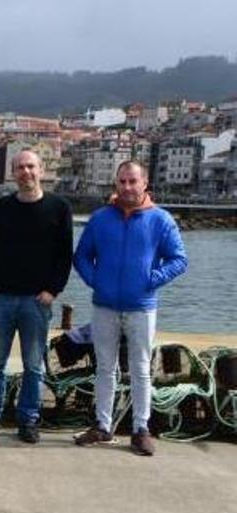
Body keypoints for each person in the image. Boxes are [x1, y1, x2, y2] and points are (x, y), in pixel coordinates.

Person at [73, 160, 187, 457]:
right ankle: (102, 425)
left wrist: (152, 279)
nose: (126, 187)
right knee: (105, 368)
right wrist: (95, 281)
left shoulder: (161, 220)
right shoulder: (100, 219)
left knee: (140, 369)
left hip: (142, 306)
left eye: (132, 181)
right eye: (122, 182)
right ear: (116, 184)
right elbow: (82, 256)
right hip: (104, 306)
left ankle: (140, 429)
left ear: (144, 184)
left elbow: (178, 259)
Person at [0, 150, 73, 443]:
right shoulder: (2, 207)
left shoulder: (59, 207)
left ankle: (28, 421)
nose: (25, 172)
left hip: (36, 301)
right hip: (0, 298)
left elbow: (64, 255)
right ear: (13, 173)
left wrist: (52, 291)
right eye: (19, 168)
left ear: (40, 170)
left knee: (33, 365)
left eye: (30, 166)